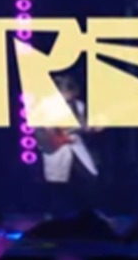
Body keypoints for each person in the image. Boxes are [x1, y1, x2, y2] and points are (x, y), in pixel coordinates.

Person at [34, 76, 100, 216]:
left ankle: (88, 212)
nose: (69, 95)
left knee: (89, 176)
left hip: (74, 144)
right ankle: (54, 214)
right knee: (56, 182)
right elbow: (43, 128)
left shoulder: (78, 105)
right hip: (55, 146)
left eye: (70, 92)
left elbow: (83, 126)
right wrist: (57, 135)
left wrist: (92, 128)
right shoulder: (45, 105)